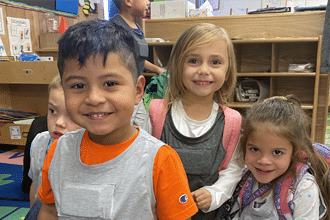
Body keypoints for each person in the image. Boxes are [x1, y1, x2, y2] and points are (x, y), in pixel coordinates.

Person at [37, 19, 198, 219]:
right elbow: (49, 210)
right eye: (78, 86)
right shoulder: (58, 151)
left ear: (138, 90)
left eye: (110, 83)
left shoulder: (161, 160)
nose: (94, 98)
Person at [148, 23, 243, 219]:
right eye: (193, 61)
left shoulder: (232, 121)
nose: (204, 70)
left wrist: (214, 194)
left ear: (228, 70)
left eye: (215, 62)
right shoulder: (156, 113)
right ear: (177, 65)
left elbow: (232, 170)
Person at [228, 95, 329, 220]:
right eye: (254, 149)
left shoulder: (303, 188)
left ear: (294, 152)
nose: (263, 161)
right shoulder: (243, 178)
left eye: (277, 152)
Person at [25, 74, 82, 219]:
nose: (59, 122)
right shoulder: (40, 142)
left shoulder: (88, 149)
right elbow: (35, 184)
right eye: (53, 111)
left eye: (70, 115)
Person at [111, 0, 164, 76]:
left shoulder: (137, 27)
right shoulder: (114, 28)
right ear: (128, 1)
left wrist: (158, 70)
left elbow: (139, 59)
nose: (148, 3)